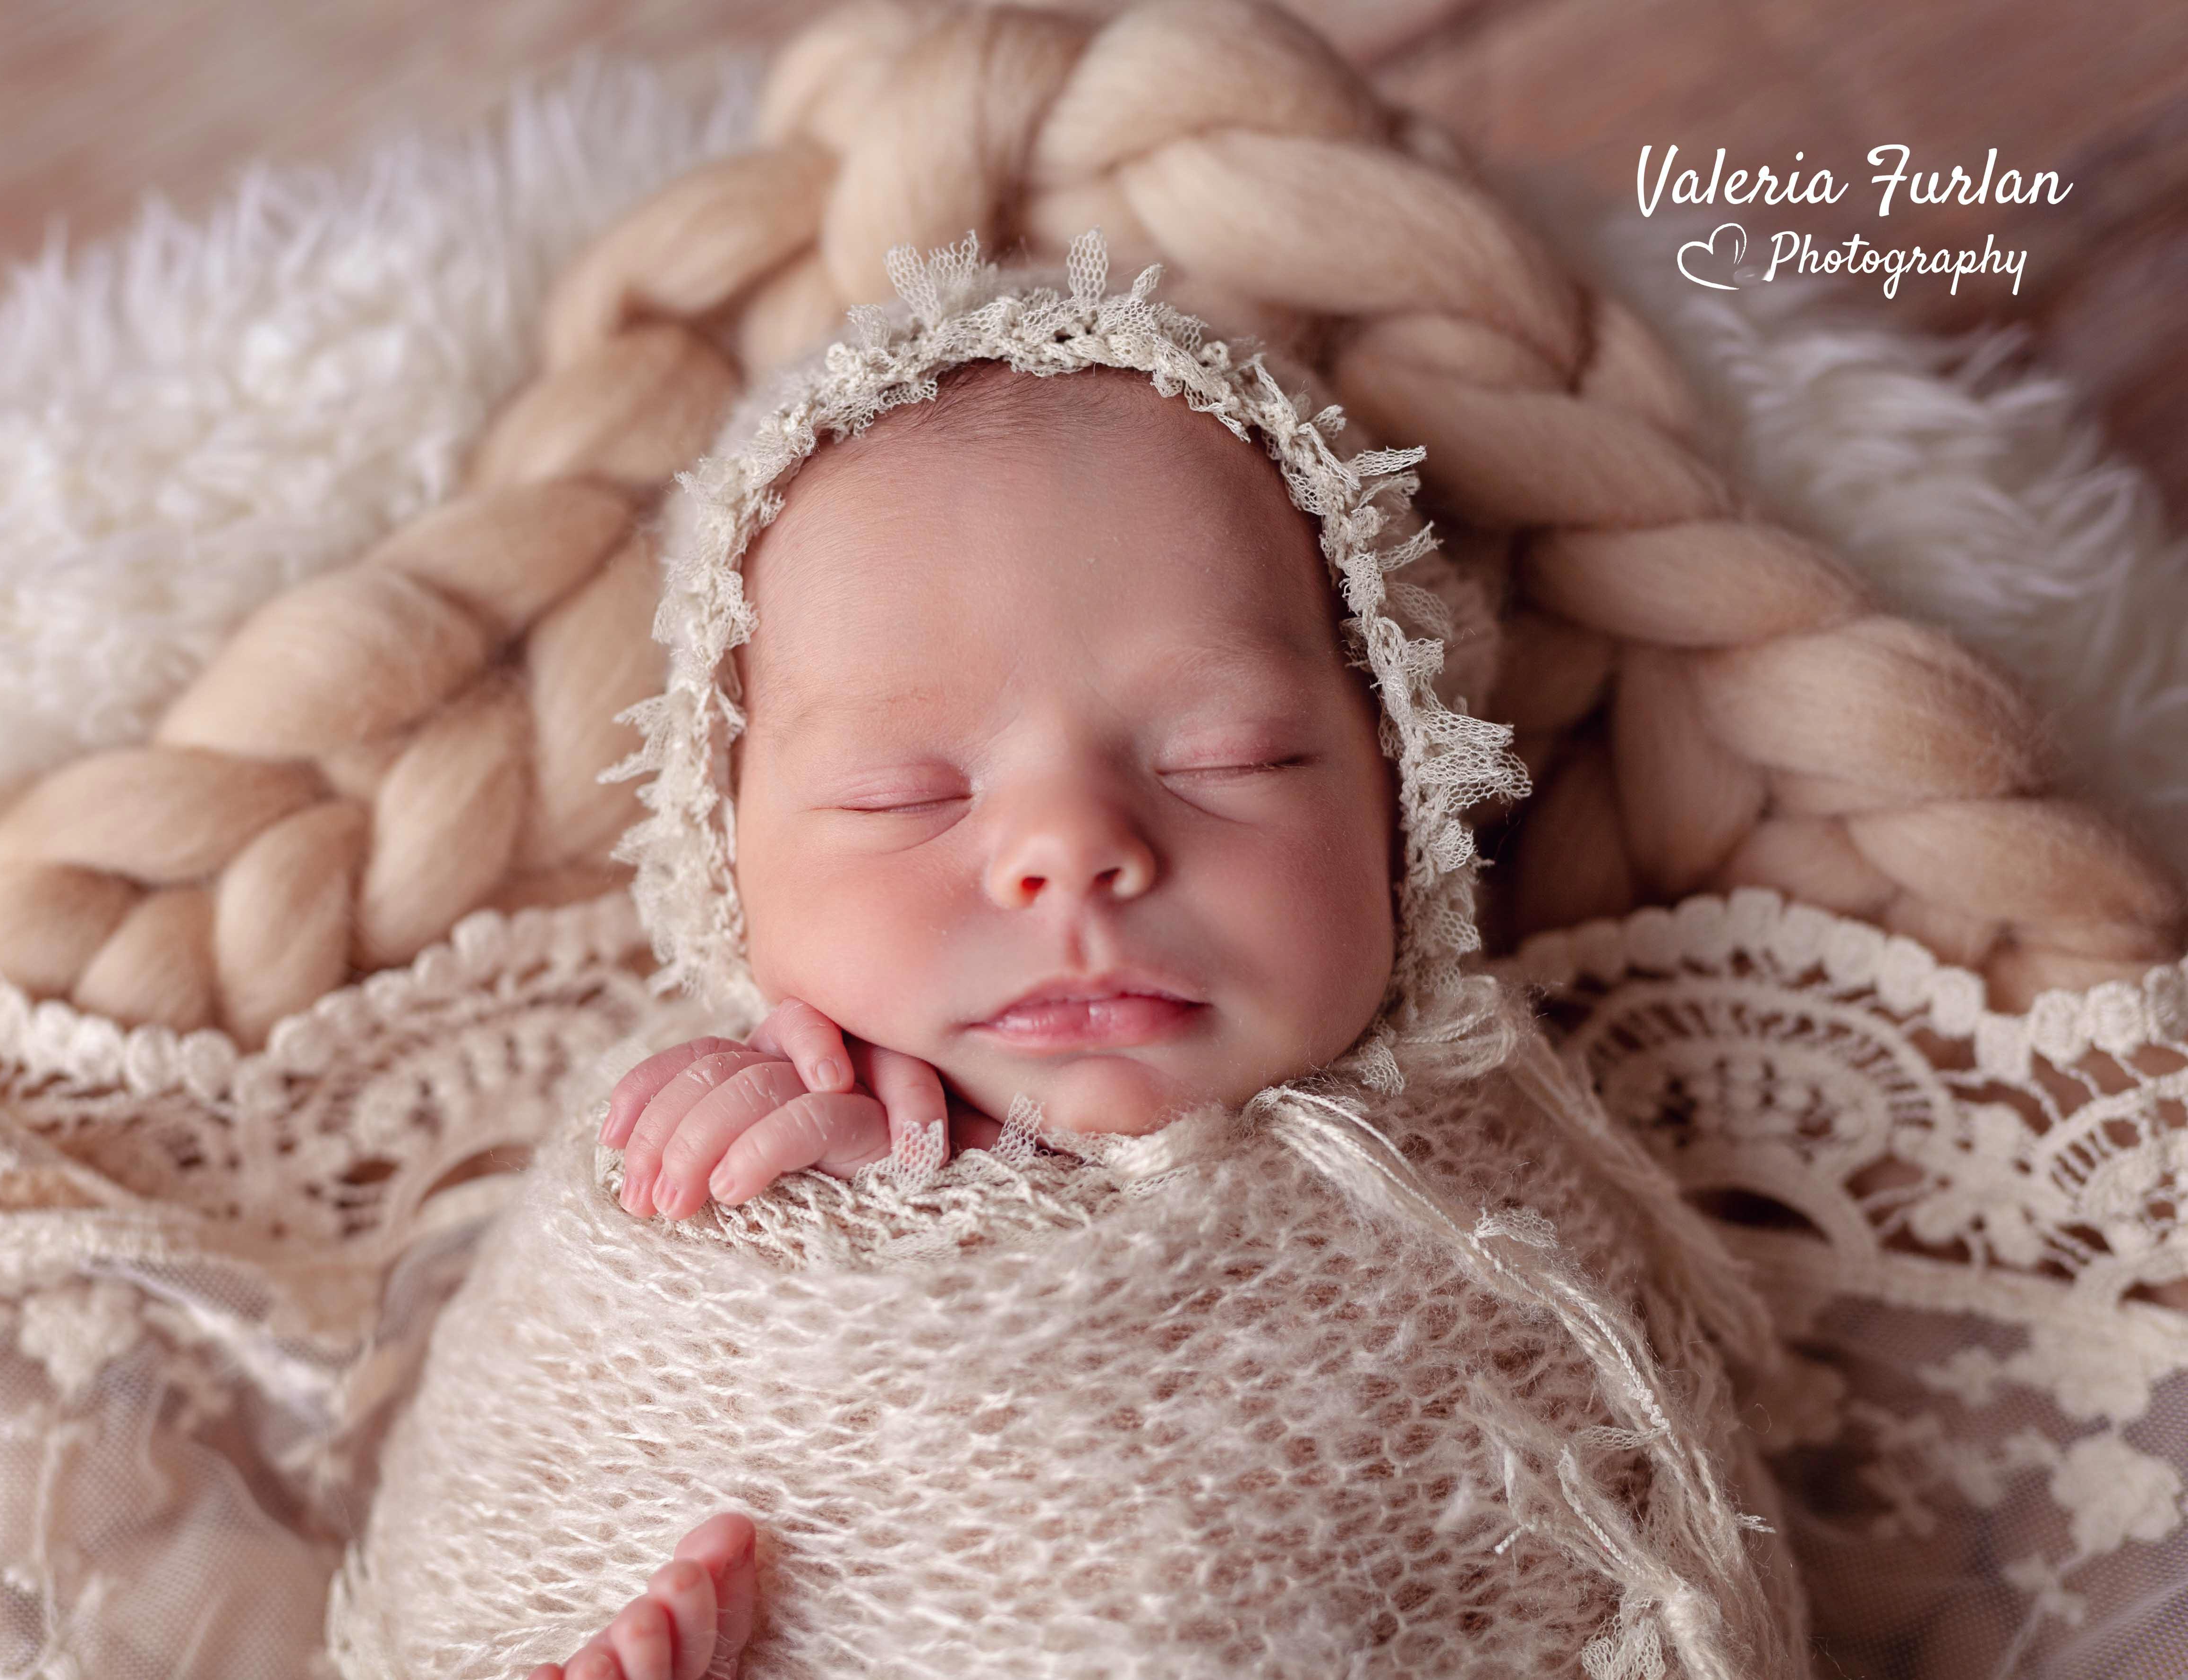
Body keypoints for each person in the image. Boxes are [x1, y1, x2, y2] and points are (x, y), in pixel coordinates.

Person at [328, 231, 1806, 1680]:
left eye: (1233, 756)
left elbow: (1660, 1589)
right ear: (723, 864)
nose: (1073, 846)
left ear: (1404, 787)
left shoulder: (1485, 1215)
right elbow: (510, 1536)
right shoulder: (681, 1203)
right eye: (904, 794)